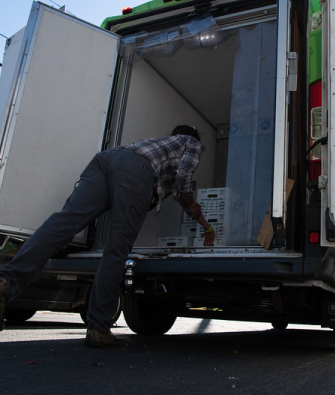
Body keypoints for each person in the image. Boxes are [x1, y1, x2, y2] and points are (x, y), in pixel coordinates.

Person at [0, 125, 215, 347]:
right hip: (136, 171)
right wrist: (192, 201)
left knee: (63, 223)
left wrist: (207, 227)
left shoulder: (154, 145)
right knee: (117, 249)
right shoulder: (191, 143)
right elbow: (184, 180)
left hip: (105, 161)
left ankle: (7, 281)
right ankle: (99, 329)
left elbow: (182, 198)